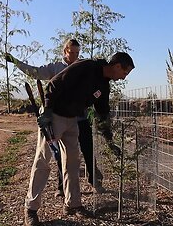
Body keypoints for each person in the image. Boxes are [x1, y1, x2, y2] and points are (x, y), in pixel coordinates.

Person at [24, 52, 134, 226]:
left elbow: (102, 113)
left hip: (72, 120)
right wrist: (47, 111)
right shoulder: (87, 66)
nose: (123, 78)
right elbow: (54, 84)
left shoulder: (104, 86)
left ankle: (73, 204)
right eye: (125, 73)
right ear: (117, 66)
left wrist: (110, 141)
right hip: (54, 117)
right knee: (43, 160)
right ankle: (30, 209)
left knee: (73, 163)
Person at [6, 39, 104, 198]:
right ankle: (60, 187)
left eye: (77, 53)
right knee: (58, 154)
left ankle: (93, 182)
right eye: (72, 52)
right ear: (65, 51)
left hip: (80, 117)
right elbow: (35, 72)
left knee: (86, 149)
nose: (74, 56)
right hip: (58, 117)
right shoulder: (56, 68)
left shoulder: (83, 68)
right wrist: (16, 62)